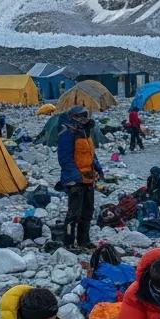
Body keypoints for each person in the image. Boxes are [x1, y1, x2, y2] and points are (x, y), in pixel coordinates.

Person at [56, 106, 103, 251]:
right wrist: (75, 176)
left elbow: (91, 155)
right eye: (80, 116)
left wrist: (98, 168)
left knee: (87, 212)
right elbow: (64, 159)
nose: (83, 119)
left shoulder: (86, 133)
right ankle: (69, 242)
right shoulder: (67, 134)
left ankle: (84, 241)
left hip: (88, 178)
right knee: (73, 214)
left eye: (85, 116)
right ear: (72, 117)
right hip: (75, 180)